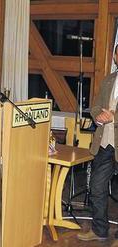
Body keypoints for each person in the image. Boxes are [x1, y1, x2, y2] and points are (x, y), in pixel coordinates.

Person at [77, 44, 118, 246]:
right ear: (115, 57)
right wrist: (99, 117)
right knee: (96, 188)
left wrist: (114, 117)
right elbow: (94, 106)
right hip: (104, 143)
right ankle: (100, 230)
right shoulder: (109, 80)